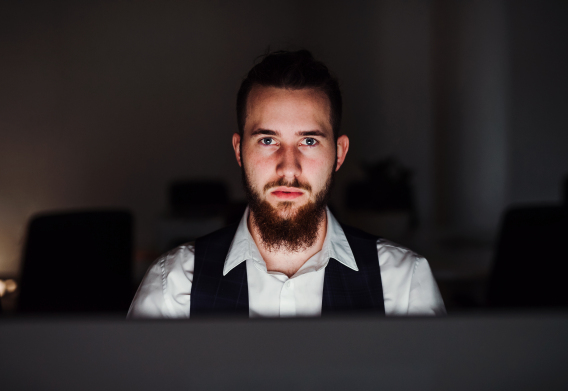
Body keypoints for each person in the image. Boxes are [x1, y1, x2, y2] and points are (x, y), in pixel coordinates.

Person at [128, 50, 445, 318]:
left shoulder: (403, 286)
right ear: (240, 150)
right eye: (268, 139)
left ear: (339, 153)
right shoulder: (172, 287)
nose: (288, 167)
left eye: (308, 140)